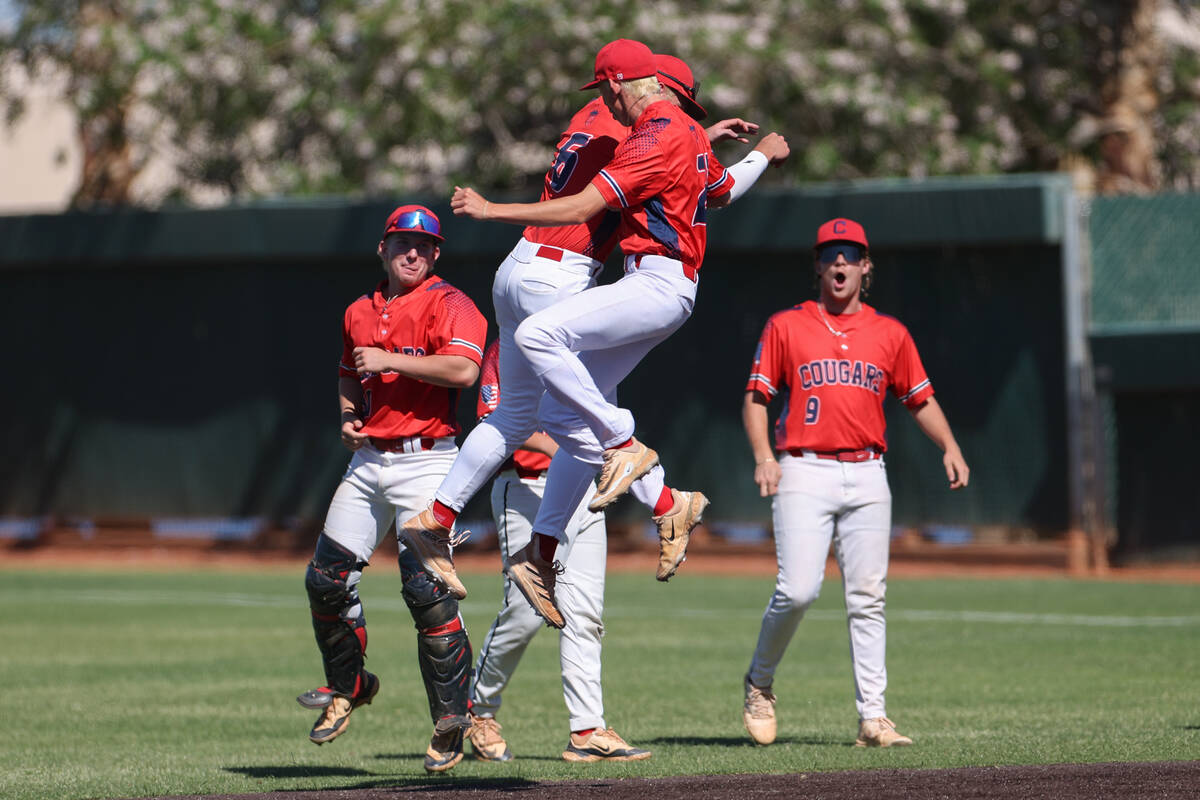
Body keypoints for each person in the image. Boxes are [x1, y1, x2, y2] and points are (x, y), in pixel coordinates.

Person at [400, 43, 787, 626]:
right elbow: (689, 168)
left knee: (535, 396)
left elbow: (658, 156)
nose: (606, 97)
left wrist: (491, 209)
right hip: (593, 274)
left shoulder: (622, 126)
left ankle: (461, 517)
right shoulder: (655, 131)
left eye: (609, 87)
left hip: (549, 267)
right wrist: (736, 146)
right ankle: (594, 522)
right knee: (563, 418)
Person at [739, 217, 970, 748]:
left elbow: (920, 399)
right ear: (818, 265)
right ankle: (760, 682)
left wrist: (950, 446)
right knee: (798, 590)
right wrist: (763, 456)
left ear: (866, 267)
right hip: (803, 467)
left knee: (868, 597)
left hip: (868, 471)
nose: (840, 263)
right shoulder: (786, 325)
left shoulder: (891, 333)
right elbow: (757, 397)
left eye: (850, 254)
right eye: (831, 254)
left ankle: (873, 718)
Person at [295, 205, 488, 774]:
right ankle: (348, 685)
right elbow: (349, 371)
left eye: (425, 246)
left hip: (428, 462)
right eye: (403, 243)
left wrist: (389, 362)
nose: (413, 253)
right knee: (325, 581)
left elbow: (464, 372)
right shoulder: (359, 310)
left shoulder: (452, 303)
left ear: (437, 254)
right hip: (370, 462)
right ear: (382, 249)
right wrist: (348, 416)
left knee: (427, 595)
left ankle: (453, 719)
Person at [465, 340, 651, 763]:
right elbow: (493, 417)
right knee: (525, 611)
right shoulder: (511, 347)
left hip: (586, 488)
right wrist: (555, 446)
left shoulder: (595, 344)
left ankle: (586, 730)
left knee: (584, 611)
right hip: (527, 486)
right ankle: (478, 710)